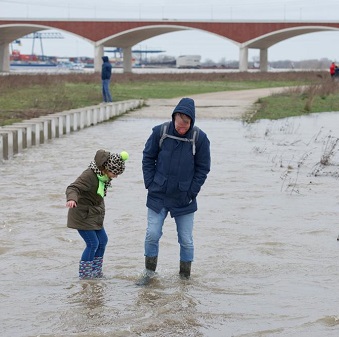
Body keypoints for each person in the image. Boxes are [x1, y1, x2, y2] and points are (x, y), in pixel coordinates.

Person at [140, 97, 211, 282]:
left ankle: (184, 278)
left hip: (184, 197)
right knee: (152, 234)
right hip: (158, 194)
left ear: (191, 122)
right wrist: (150, 183)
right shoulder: (160, 132)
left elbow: (203, 168)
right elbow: (148, 158)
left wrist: (191, 192)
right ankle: (149, 275)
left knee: (186, 240)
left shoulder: (200, 138)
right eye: (179, 124)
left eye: (185, 125)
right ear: (174, 118)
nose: (182, 128)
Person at [66, 149, 128, 279]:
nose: (115, 176)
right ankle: (85, 276)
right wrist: (72, 199)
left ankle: (96, 273)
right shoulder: (89, 175)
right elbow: (73, 188)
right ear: (106, 168)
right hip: (82, 214)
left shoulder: (103, 176)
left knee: (103, 240)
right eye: (115, 173)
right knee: (93, 243)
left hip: (95, 214)